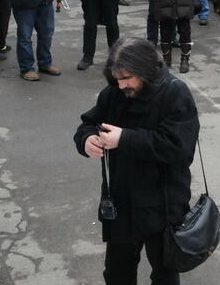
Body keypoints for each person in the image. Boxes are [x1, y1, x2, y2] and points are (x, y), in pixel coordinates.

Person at [74, 37, 200, 285]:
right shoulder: (114, 93)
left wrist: (125, 139)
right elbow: (88, 123)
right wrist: (86, 139)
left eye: (126, 78)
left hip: (162, 205)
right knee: (116, 274)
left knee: (164, 275)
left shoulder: (175, 93)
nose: (121, 85)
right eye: (116, 78)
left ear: (146, 70)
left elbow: (179, 148)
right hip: (121, 202)